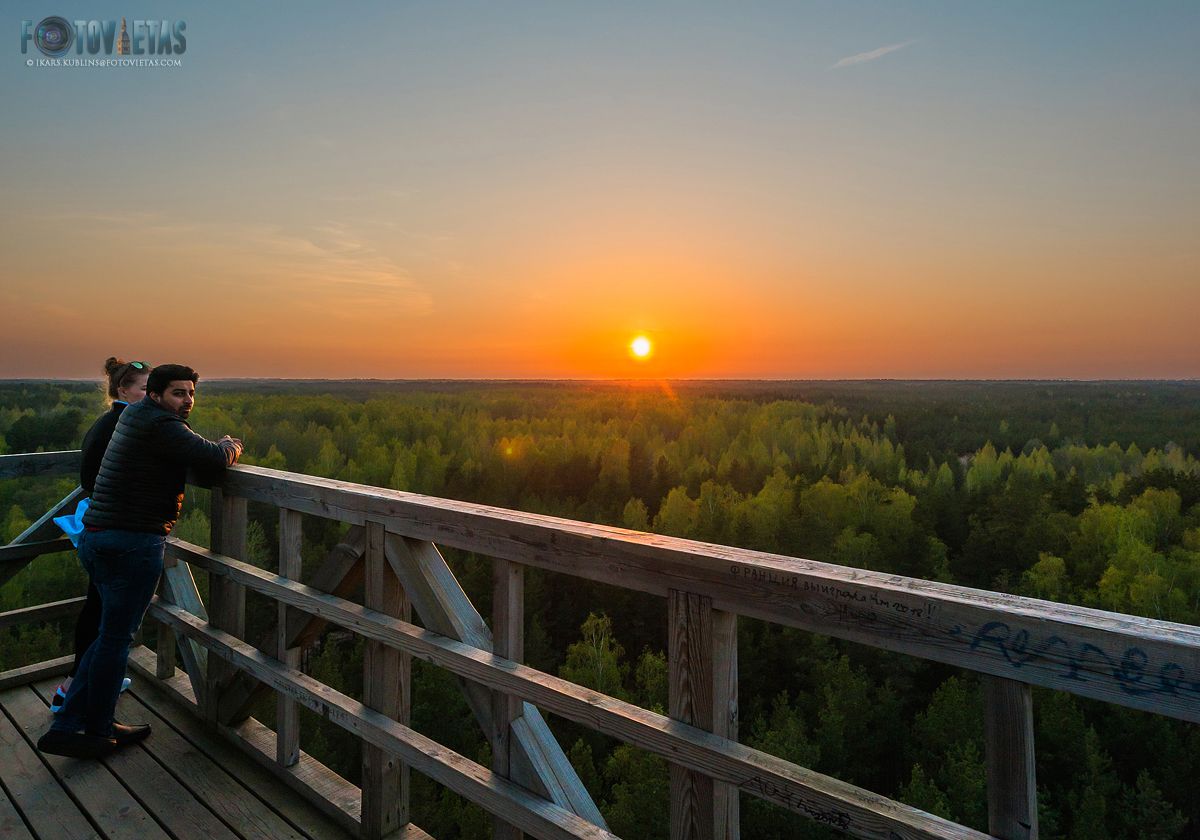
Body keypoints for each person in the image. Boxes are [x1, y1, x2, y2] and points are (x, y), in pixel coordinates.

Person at [38, 363, 243, 759]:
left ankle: (91, 724)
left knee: (107, 638)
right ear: (154, 394)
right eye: (177, 394)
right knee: (115, 640)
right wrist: (233, 444)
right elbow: (214, 459)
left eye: (190, 394)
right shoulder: (162, 425)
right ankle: (80, 728)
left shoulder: (132, 414)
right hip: (132, 541)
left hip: (99, 537)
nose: (186, 401)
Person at [49, 357, 150, 713]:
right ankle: (76, 690)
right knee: (107, 615)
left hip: (96, 524)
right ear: (123, 390)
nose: (149, 395)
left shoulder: (107, 421)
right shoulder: (129, 423)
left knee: (98, 607)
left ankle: (81, 682)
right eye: (144, 388)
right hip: (114, 527)